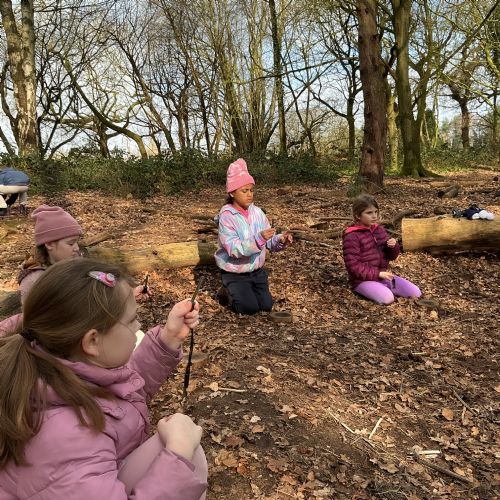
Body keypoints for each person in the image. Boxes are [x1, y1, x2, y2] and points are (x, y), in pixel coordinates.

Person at [0, 258, 208, 499]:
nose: (138, 326)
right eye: (131, 320)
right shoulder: (69, 437)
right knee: (189, 456)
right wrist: (178, 454)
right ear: (92, 341)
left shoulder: (57, 366)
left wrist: (168, 338)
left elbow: (119, 392)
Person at [0, 205, 149, 336]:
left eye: (77, 242)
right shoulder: (35, 281)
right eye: (71, 243)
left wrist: (128, 293)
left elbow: (98, 291)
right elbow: (42, 327)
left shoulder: (77, 264)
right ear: (49, 244)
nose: (77, 248)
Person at [215, 158, 292, 315]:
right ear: (232, 193)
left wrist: (280, 240)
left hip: (256, 271)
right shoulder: (227, 216)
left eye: (251, 190)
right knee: (248, 308)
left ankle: (246, 292)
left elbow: (268, 241)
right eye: (244, 191)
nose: (249, 195)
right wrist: (259, 239)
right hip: (235, 272)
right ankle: (226, 291)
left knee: (266, 306)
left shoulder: (258, 213)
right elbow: (234, 249)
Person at [342, 194, 421, 305]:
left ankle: (383, 287)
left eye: (376, 212)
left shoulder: (379, 230)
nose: (374, 216)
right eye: (369, 213)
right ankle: (373, 290)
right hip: (362, 280)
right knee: (387, 299)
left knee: (416, 293)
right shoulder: (352, 236)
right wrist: (378, 274)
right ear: (357, 215)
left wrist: (393, 246)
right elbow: (353, 266)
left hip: (383, 276)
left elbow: (391, 256)